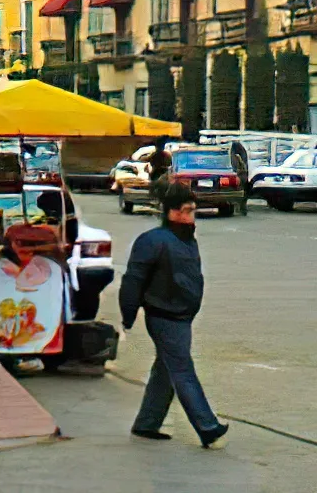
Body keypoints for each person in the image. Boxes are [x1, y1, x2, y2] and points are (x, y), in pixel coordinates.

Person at [119, 182, 229, 448]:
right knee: (182, 369)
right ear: (171, 212)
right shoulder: (153, 241)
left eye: (193, 210)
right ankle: (207, 426)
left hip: (181, 315)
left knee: (166, 369)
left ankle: (147, 423)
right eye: (186, 210)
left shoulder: (185, 239)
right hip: (164, 315)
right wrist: (129, 313)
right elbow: (133, 279)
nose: (191, 216)